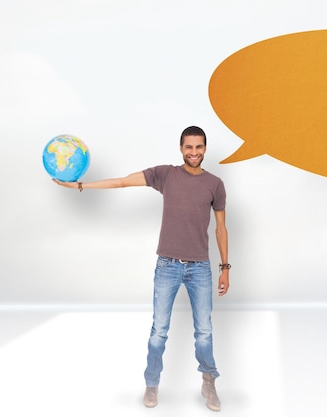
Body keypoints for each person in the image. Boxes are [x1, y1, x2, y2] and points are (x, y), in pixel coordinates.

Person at [54, 126, 229, 411]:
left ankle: (208, 381)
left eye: (199, 147)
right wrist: (80, 186)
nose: (194, 152)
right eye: (189, 147)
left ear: (205, 149)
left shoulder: (215, 184)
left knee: (204, 331)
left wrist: (225, 267)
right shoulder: (165, 175)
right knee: (159, 330)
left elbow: (221, 229)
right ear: (181, 148)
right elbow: (122, 182)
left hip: (200, 269)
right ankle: (151, 384)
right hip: (167, 266)